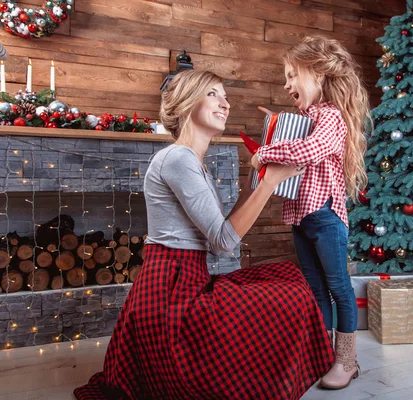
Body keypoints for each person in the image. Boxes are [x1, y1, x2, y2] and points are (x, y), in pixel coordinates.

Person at [74, 69, 334, 400]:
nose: (225, 103)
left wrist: (258, 177)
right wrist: (269, 183)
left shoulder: (196, 163)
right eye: (213, 94)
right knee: (290, 296)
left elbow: (221, 229)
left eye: (225, 96)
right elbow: (224, 242)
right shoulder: (177, 158)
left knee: (287, 277)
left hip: (190, 277)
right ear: (185, 103)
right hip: (170, 290)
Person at [251, 35, 371, 390]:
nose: (286, 84)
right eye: (285, 77)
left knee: (338, 287)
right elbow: (301, 142)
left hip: (326, 218)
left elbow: (312, 150)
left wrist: (268, 152)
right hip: (302, 217)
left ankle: (347, 360)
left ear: (318, 74)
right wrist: (277, 126)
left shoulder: (331, 117)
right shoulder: (308, 118)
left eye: (292, 75)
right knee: (315, 290)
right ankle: (322, 355)